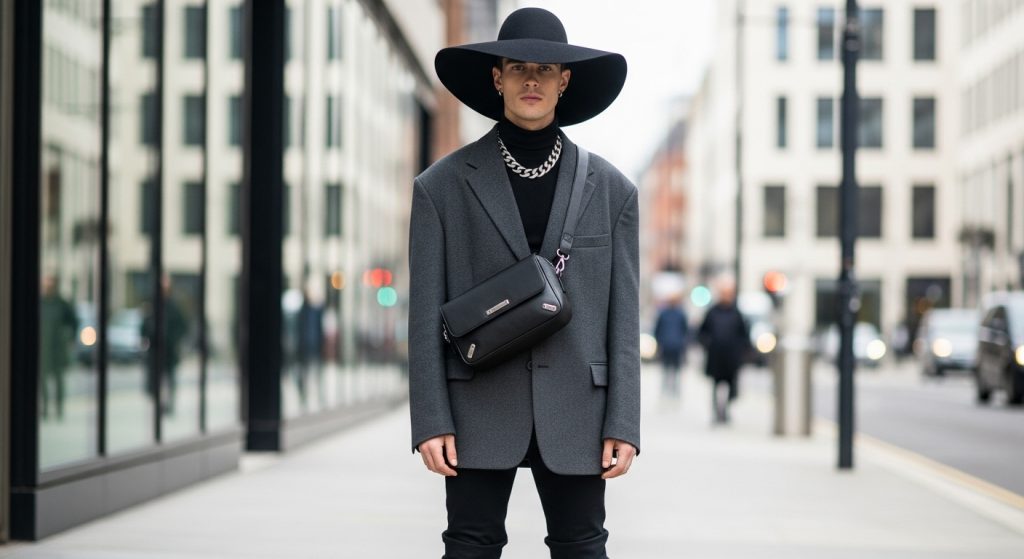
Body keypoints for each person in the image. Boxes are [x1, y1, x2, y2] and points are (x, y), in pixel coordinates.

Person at [408, 8, 639, 558]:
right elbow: (423, 315)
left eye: (545, 69)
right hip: (475, 407)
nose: (531, 80)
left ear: (564, 81)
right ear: (497, 78)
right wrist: (429, 421)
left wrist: (624, 421)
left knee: (583, 547)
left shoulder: (613, 191)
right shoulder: (439, 189)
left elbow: (623, 316)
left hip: (579, 411)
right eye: (517, 68)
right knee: (470, 545)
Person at [698, 276, 750, 424]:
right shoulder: (712, 312)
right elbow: (702, 332)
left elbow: (743, 333)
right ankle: (716, 412)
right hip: (716, 355)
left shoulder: (737, 313)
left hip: (731, 357)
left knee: (731, 386)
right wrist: (707, 343)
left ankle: (725, 411)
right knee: (715, 385)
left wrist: (742, 350)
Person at [653, 292, 689, 395]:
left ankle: (674, 390)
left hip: (676, 346)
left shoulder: (680, 314)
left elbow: (685, 330)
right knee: (666, 369)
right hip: (667, 346)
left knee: (675, 370)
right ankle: (666, 390)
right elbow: (658, 329)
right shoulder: (664, 314)